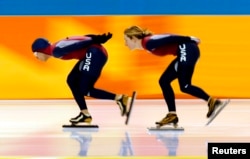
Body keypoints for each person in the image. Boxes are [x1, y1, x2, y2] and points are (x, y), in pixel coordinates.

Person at [123, 25, 223, 127]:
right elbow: (167, 37)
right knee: (164, 81)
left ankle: (212, 102)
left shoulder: (148, 42)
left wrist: (189, 38)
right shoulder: (147, 44)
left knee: (185, 86)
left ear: (134, 38)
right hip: (185, 51)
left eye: (126, 40)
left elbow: (170, 38)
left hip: (187, 49)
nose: (125, 44)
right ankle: (172, 115)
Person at [31, 33, 131, 125]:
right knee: (72, 80)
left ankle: (120, 98)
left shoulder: (56, 51)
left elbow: (77, 45)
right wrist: (94, 38)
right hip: (92, 52)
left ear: (41, 50)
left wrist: (95, 39)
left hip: (95, 53)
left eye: (35, 54)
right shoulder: (56, 47)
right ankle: (85, 114)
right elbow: (78, 39)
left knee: (85, 89)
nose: (36, 57)